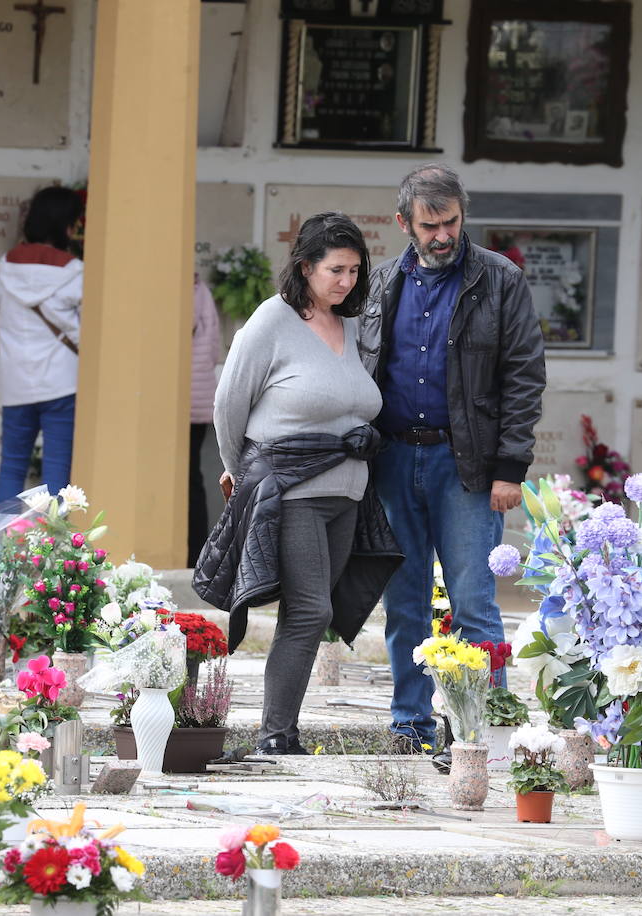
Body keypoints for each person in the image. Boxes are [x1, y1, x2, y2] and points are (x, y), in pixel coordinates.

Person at [195, 213, 401, 756]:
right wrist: (239, 470)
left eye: (355, 270)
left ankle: (282, 730)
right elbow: (228, 403)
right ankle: (275, 735)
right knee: (312, 610)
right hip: (292, 490)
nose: (347, 281)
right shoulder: (272, 320)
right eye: (336, 269)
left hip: (349, 494)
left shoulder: (354, 327)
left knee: (311, 612)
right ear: (305, 266)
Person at [358, 164, 545, 754]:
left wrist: (510, 468)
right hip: (392, 461)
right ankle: (409, 726)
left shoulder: (500, 279)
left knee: (474, 603)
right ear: (403, 223)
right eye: (430, 225)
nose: (443, 235)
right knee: (404, 601)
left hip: (466, 466)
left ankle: (480, 729)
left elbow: (524, 376)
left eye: (452, 222)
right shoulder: (382, 281)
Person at [0, 186, 85, 506]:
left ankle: (0, 551)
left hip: (16, 381)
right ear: (67, 226)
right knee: (57, 470)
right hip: (62, 383)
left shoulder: (6, 265)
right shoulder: (73, 271)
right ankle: (56, 553)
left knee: (12, 465)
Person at [188, 276, 221, 567]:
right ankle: (195, 549)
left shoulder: (161, 291)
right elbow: (213, 347)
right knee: (192, 478)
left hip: (167, 401)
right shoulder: (201, 292)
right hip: (196, 399)